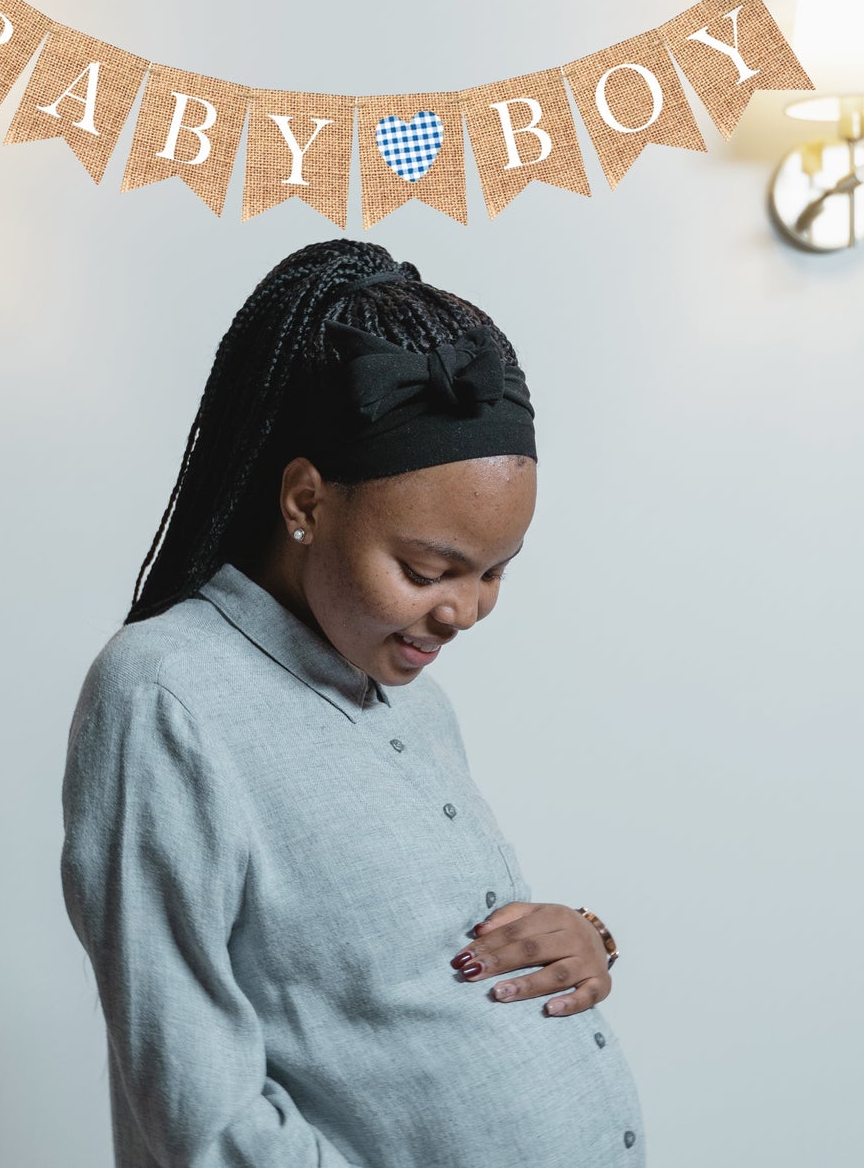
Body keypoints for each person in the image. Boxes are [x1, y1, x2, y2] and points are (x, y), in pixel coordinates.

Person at [60, 239, 645, 1167]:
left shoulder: (410, 696)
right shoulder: (168, 694)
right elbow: (200, 1106)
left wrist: (579, 940)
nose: (462, 610)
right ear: (305, 500)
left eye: (494, 572)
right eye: (425, 569)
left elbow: (404, 980)